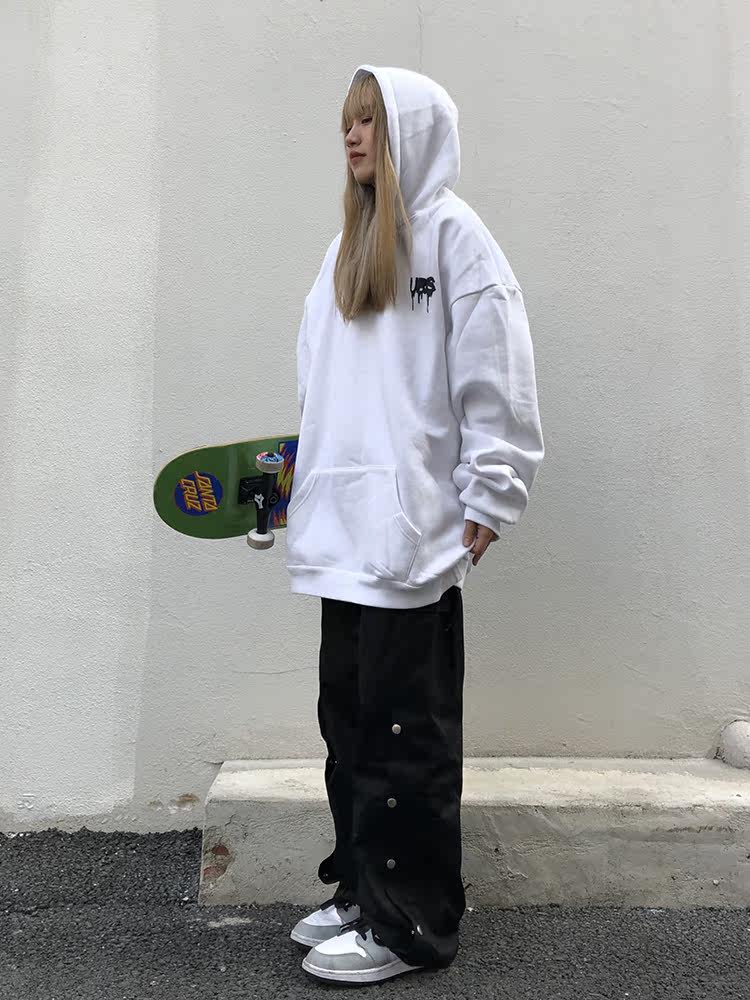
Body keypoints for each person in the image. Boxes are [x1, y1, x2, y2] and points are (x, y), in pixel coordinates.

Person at [286, 64, 545, 985]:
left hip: (414, 536)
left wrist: (493, 490)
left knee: (408, 739)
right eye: (348, 121)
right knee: (350, 728)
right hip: (343, 539)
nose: (353, 135)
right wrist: (297, 488)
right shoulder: (343, 251)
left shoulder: (455, 239)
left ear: (411, 134)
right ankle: (364, 890)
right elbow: (320, 392)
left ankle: (414, 926)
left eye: (372, 121)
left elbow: (496, 370)